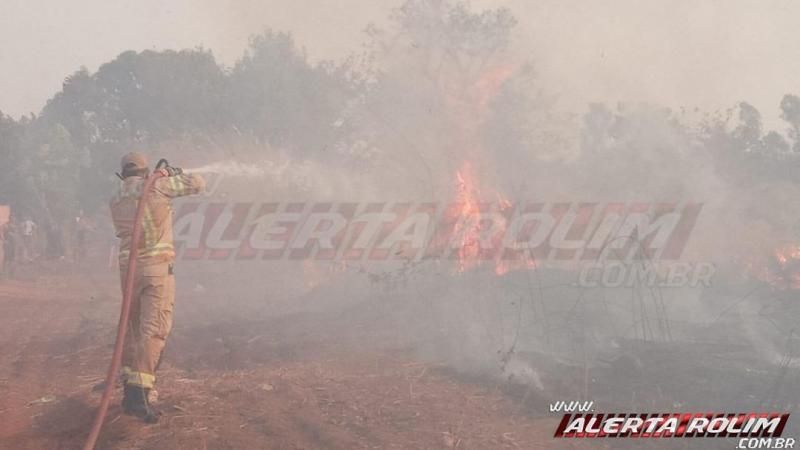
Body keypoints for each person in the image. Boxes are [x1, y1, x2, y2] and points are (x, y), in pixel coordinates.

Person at [109, 152, 205, 423]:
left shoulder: (116, 196)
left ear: (123, 174)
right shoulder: (157, 185)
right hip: (156, 269)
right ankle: (140, 395)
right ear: (145, 169)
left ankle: (129, 390)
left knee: (134, 327)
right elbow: (198, 183)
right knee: (154, 329)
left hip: (128, 271)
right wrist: (171, 174)